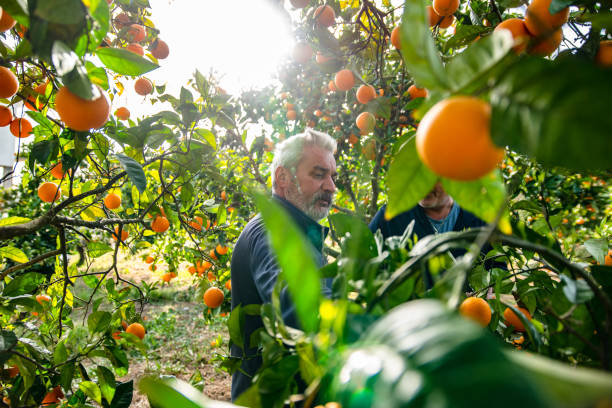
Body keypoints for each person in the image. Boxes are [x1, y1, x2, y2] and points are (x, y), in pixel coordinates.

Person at [230, 128, 337, 401]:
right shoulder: (274, 232)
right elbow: (298, 304)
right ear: (283, 177)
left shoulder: (292, 229)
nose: (331, 186)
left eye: (332, 176)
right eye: (319, 174)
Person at [369, 182, 500, 288]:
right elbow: (364, 262)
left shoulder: (479, 216)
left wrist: (489, 289)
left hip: (466, 314)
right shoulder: (392, 215)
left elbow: (498, 265)